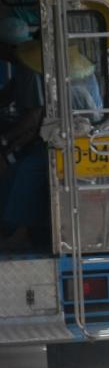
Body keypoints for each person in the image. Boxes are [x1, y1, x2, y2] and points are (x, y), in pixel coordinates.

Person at [0, 22, 47, 251]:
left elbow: (35, 117)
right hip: (36, 136)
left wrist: (7, 141)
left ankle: (20, 233)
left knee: (24, 170)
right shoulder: (21, 69)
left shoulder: (30, 69)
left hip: (49, 141)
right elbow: (7, 96)